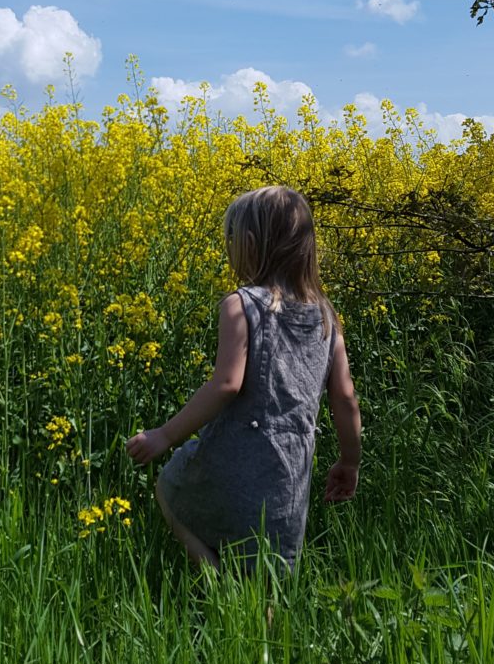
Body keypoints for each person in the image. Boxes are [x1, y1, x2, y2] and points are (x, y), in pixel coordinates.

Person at [125, 185, 361, 572]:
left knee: (168, 489)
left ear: (248, 243)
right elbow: (346, 399)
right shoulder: (327, 320)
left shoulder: (241, 305)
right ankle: (250, 610)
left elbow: (226, 384)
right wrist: (349, 460)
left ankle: (216, 578)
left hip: (233, 459)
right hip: (289, 473)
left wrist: (165, 435)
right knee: (269, 572)